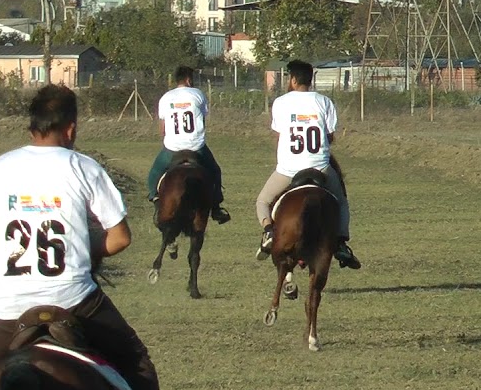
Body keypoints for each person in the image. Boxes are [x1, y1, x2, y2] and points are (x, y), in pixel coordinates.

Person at [0, 84, 197, 390]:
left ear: (32, 125)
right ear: (71, 129)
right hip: (72, 299)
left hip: (7, 304)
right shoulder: (84, 167)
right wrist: (86, 249)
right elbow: (120, 237)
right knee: (135, 359)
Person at [254, 59, 360, 269]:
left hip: (288, 169)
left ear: (293, 79)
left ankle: (268, 232)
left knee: (263, 201)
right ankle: (341, 243)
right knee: (341, 202)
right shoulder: (325, 102)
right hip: (319, 167)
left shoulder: (281, 102)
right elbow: (329, 137)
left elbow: (278, 135)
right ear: (310, 80)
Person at [147, 66, 230, 224]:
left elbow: (162, 129)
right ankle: (216, 207)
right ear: (188, 79)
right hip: (196, 147)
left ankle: (156, 199)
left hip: (173, 148)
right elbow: (202, 121)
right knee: (215, 170)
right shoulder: (198, 94)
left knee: (154, 173)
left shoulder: (166, 97)